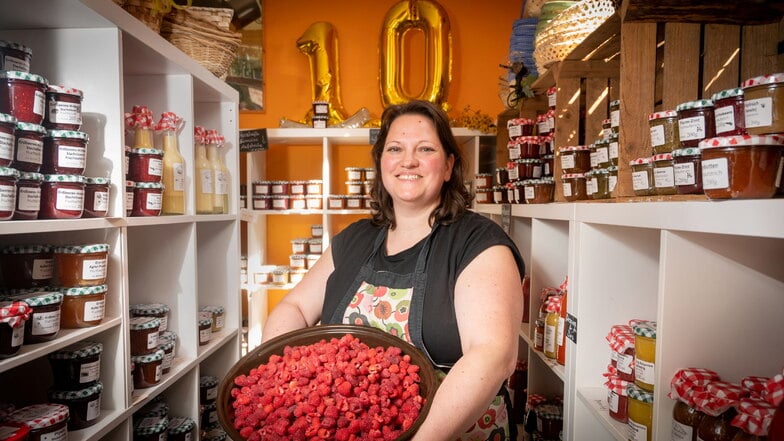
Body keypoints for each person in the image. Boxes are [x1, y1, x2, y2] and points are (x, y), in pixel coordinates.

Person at [262, 99, 526, 440]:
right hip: (351, 426)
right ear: (381, 162)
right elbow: (294, 307)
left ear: (448, 166)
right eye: (395, 148)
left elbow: (493, 356)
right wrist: (279, 379)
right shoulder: (354, 238)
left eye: (426, 148)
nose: (408, 161)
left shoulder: (478, 242)